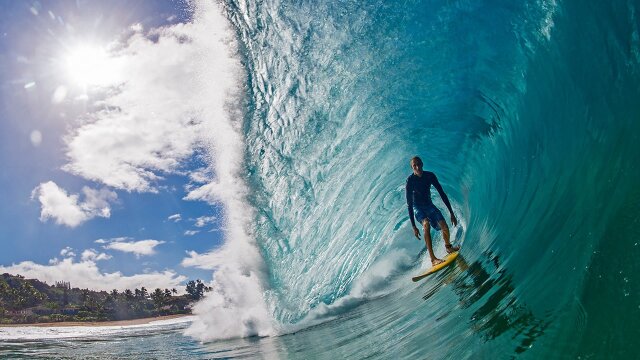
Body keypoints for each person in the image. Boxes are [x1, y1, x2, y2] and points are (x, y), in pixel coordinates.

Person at [406, 156, 459, 266]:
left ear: (422, 164)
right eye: (414, 165)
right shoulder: (410, 181)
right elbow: (409, 204)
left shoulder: (430, 176)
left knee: (444, 225)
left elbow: (442, 193)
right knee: (426, 224)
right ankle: (433, 259)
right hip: (417, 207)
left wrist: (451, 213)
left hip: (429, 205)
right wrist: (413, 226)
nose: (417, 167)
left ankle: (448, 247)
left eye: (419, 164)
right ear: (412, 168)